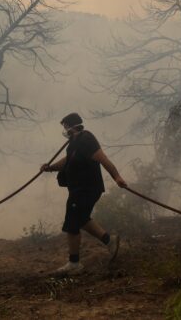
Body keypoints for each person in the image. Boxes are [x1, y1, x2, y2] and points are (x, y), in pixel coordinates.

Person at [41, 112, 128, 276]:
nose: (64, 130)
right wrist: (50, 167)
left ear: (71, 126)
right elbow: (67, 161)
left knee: (72, 223)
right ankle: (110, 241)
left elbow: (103, 159)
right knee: (81, 219)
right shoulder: (73, 143)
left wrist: (117, 177)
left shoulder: (86, 139)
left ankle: (74, 264)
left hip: (87, 189)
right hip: (78, 189)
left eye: (65, 127)